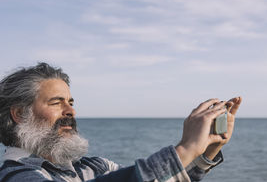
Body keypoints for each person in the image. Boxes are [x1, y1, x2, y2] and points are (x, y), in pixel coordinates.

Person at [0, 62, 242, 181]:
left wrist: (207, 151)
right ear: (19, 114)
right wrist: (185, 149)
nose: (70, 111)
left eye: (71, 102)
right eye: (56, 102)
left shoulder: (94, 168)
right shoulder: (16, 175)